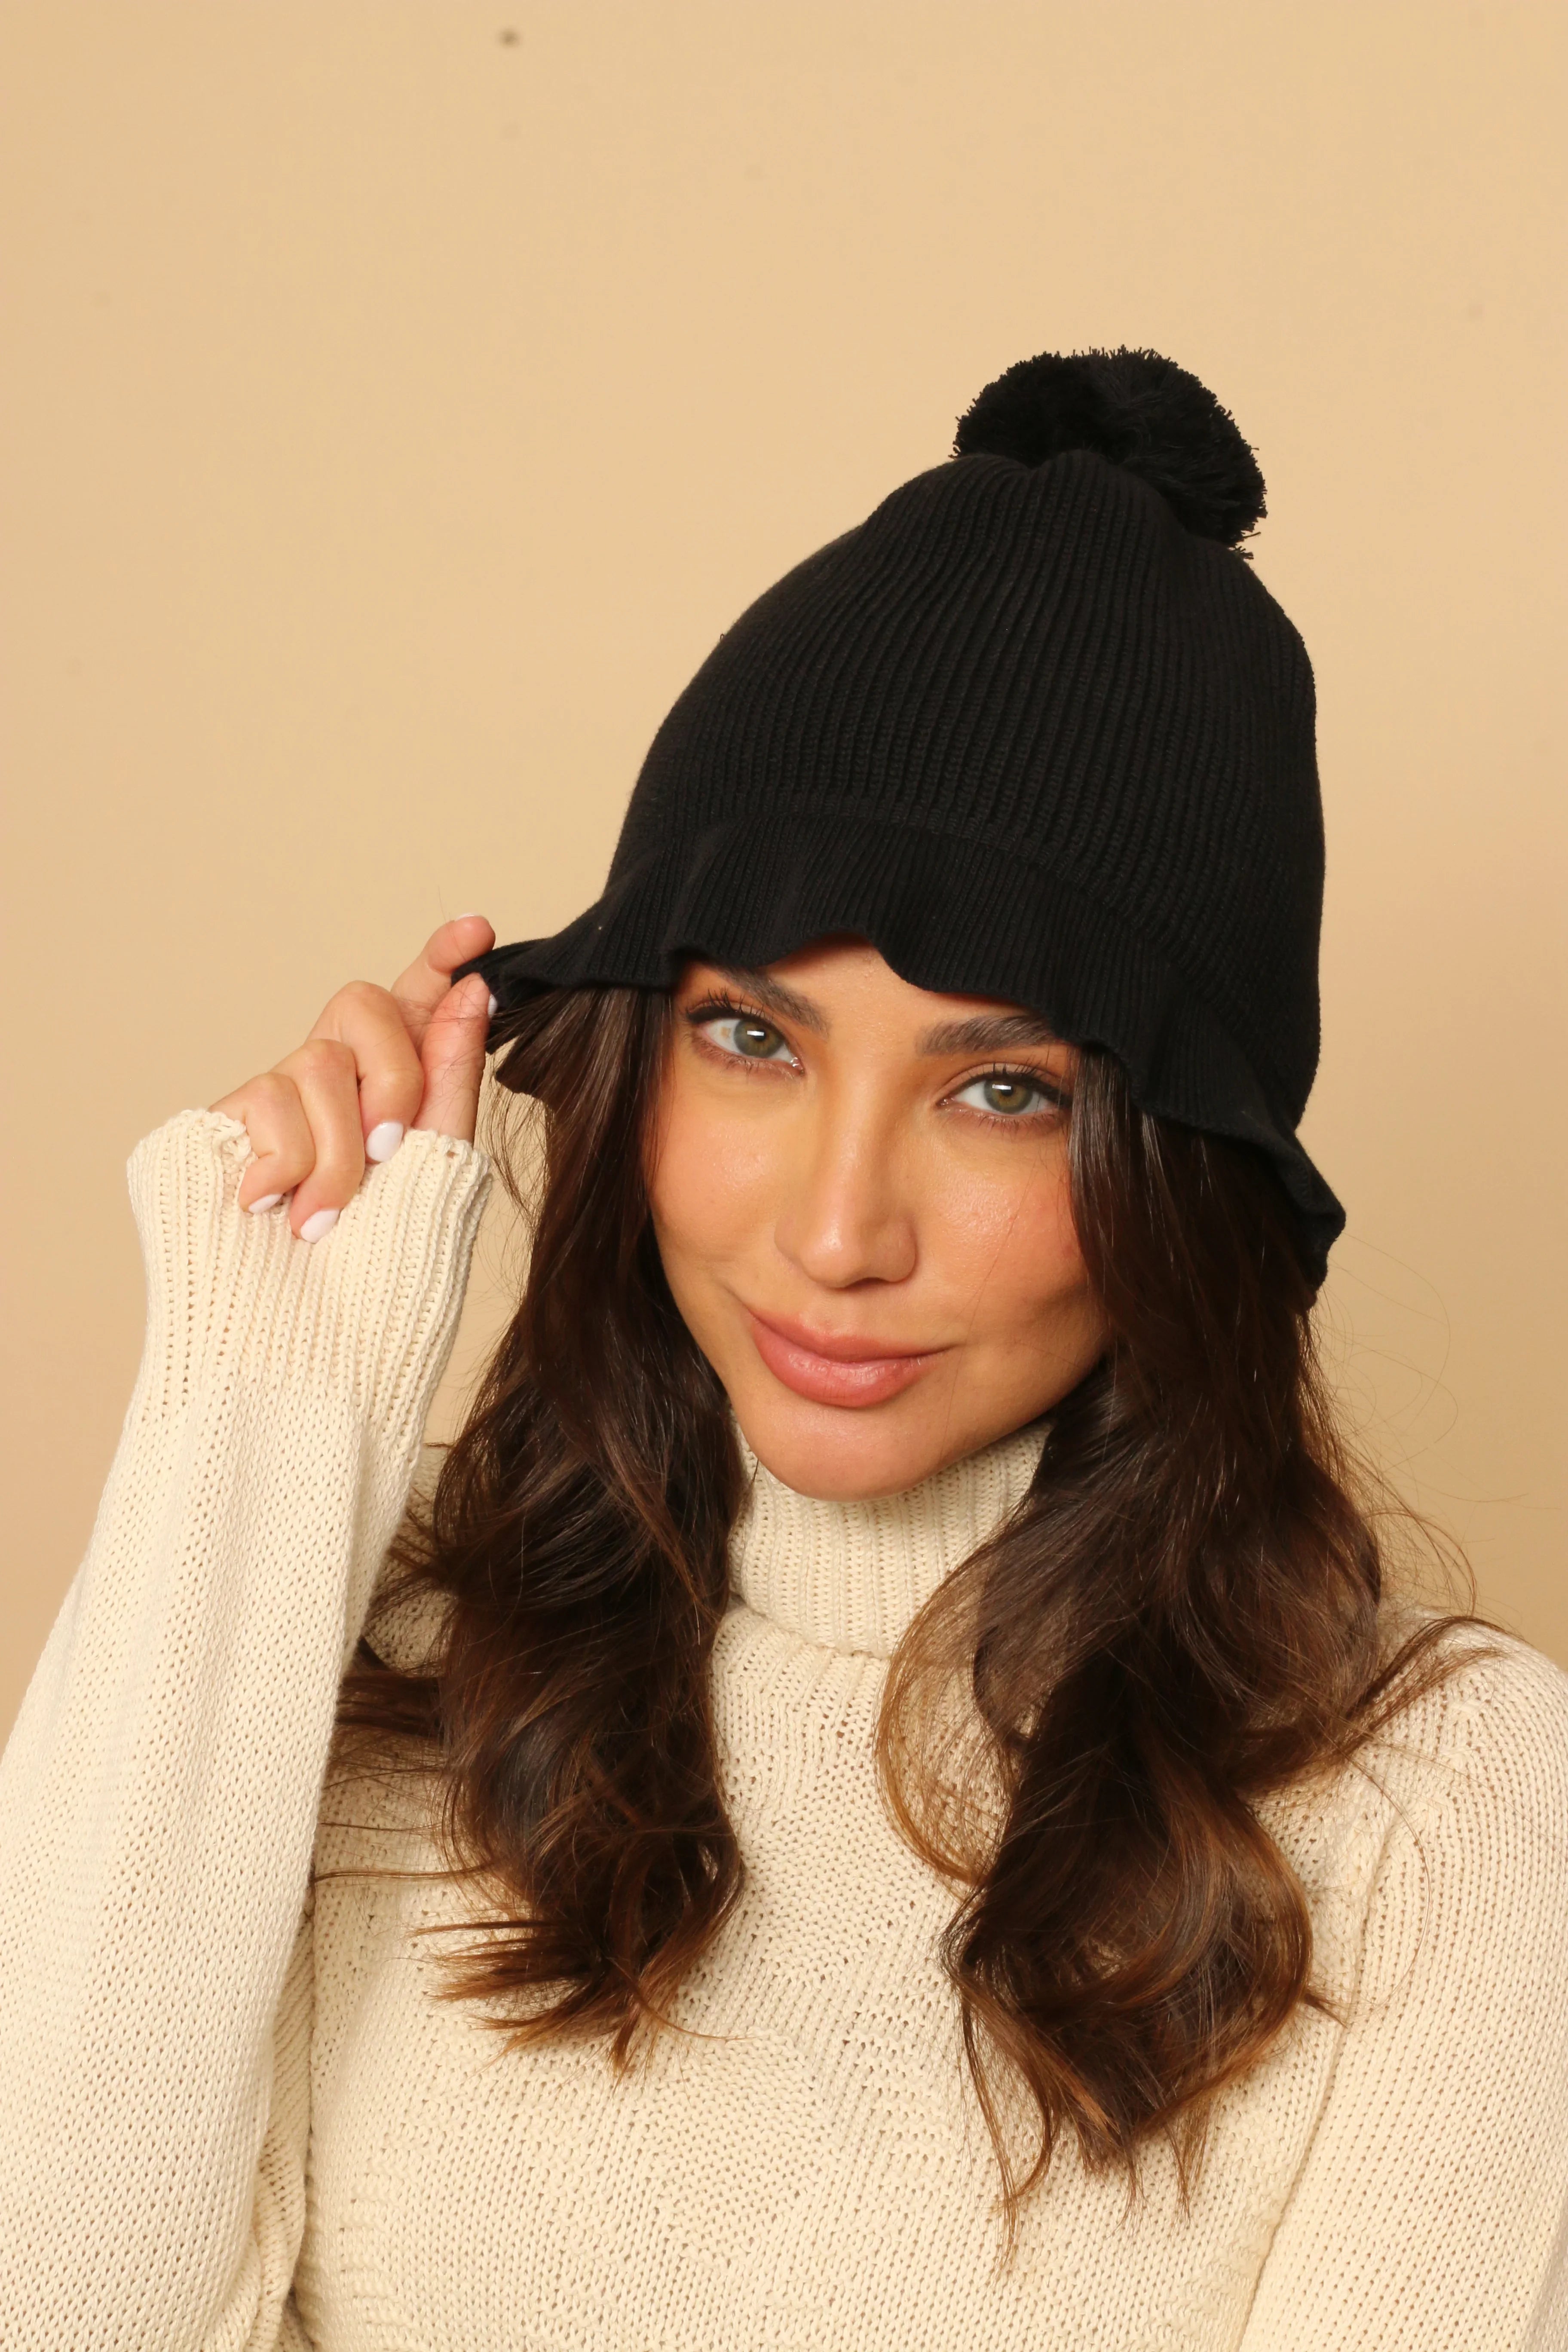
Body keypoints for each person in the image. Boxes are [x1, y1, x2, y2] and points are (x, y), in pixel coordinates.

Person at [2, 349, 1565, 2350]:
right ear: (633, 1060)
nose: (837, 1236)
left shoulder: (1441, 1814)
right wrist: (259, 1408)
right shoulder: (369, 1683)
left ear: (1181, 1171)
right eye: (752, 1039)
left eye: (1004, 1092)